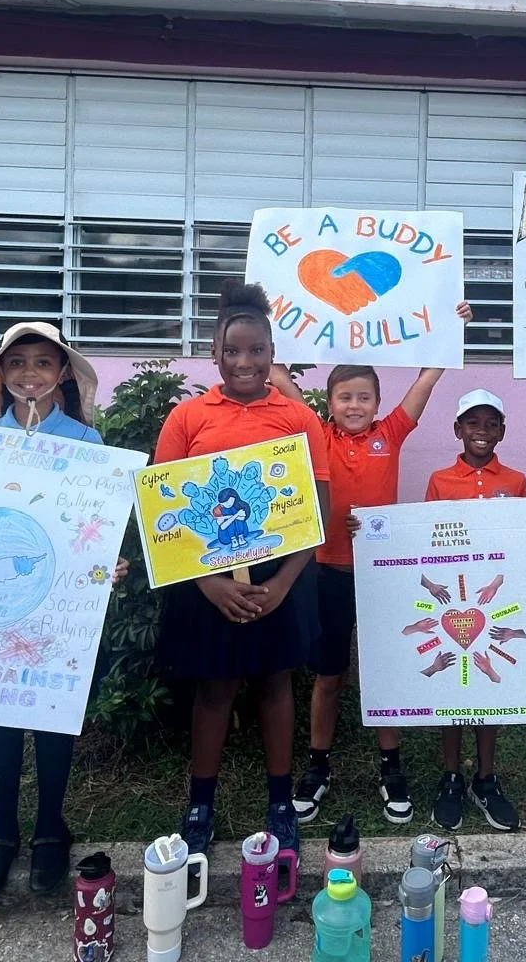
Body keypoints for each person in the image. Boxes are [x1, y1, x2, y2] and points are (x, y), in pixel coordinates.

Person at [153, 281, 331, 858]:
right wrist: (208, 583)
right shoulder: (188, 417)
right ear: (215, 354)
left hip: (281, 571)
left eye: (256, 351)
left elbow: (316, 512)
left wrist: (281, 584)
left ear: (272, 353)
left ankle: (281, 804)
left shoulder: (301, 420)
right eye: (233, 352)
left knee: (276, 684)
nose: (245, 362)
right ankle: (199, 804)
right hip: (203, 576)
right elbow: (164, 514)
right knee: (214, 690)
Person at [272, 310, 469, 827]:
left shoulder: (393, 432)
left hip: (382, 573)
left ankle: (391, 766)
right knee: (328, 675)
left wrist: (451, 325)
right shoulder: (316, 433)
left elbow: (428, 377)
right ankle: (318, 766)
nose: (354, 405)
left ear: (378, 404)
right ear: (329, 404)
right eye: (344, 397)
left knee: (384, 672)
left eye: (364, 397)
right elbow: (276, 375)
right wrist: (265, 317)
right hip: (325, 572)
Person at [0, 321, 114, 904]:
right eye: (17, 363)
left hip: (61, 606)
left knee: (54, 712)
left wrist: (106, 564)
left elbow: (98, 528)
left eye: (43, 363)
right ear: (1, 375)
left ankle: (51, 826)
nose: (30, 373)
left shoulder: (88, 443)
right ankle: (3, 834)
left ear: (62, 375)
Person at [420, 389, 526, 833]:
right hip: (453, 599)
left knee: (489, 688)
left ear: (502, 431)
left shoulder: (517, 481)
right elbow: (426, 537)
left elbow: (523, 537)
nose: (481, 432)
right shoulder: (441, 479)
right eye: (472, 423)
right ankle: (451, 777)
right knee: (452, 688)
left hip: (494, 600)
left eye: (491, 424)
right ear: (457, 430)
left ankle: (485, 776)